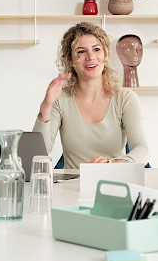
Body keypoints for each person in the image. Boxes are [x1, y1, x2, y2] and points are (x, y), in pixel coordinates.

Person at [33, 22, 148, 168]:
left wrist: (113, 164)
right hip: (72, 186)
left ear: (105, 54)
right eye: (81, 51)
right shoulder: (60, 99)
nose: (90, 57)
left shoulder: (125, 98)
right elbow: (40, 152)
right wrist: (46, 105)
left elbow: (142, 149)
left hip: (114, 182)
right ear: (70, 59)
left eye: (96, 49)